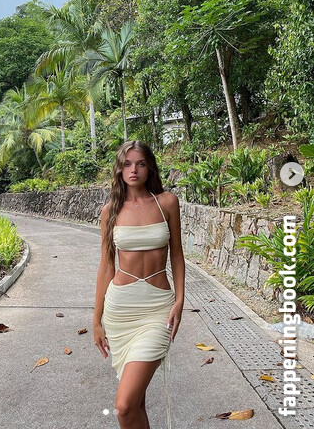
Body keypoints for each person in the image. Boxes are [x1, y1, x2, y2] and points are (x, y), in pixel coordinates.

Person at [93, 140, 185, 429]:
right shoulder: (110, 211)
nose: (133, 170)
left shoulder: (167, 202)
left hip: (157, 310)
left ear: (150, 168)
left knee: (123, 406)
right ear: (119, 169)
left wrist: (180, 300)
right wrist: (96, 320)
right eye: (127, 164)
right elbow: (106, 266)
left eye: (140, 163)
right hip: (120, 310)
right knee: (135, 405)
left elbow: (177, 254)